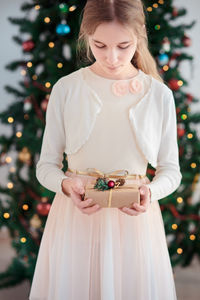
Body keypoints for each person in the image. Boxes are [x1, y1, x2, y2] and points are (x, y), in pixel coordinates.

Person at [29, 0, 182, 299]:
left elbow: (170, 170)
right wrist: (64, 185)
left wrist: (151, 192)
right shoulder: (66, 89)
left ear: (138, 37)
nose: (112, 57)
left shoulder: (159, 95)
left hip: (135, 225)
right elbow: (45, 165)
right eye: (100, 45)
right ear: (87, 37)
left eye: (123, 46)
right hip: (76, 219)